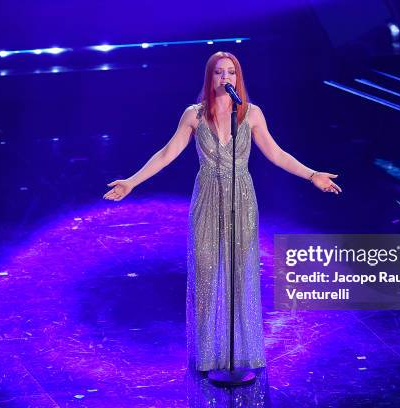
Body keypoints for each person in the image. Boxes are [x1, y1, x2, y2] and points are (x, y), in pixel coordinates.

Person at [103, 51, 341, 371]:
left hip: (242, 198)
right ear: (210, 77)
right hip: (207, 197)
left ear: (238, 77)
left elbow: (276, 153)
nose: (225, 77)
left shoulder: (251, 114)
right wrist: (132, 182)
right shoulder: (194, 115)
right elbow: (166, 153)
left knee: (238, 274)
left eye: (230, 72)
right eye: (219, 72)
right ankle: (208, 354)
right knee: (205, 271)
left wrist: (313, 175)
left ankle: (241, 354)